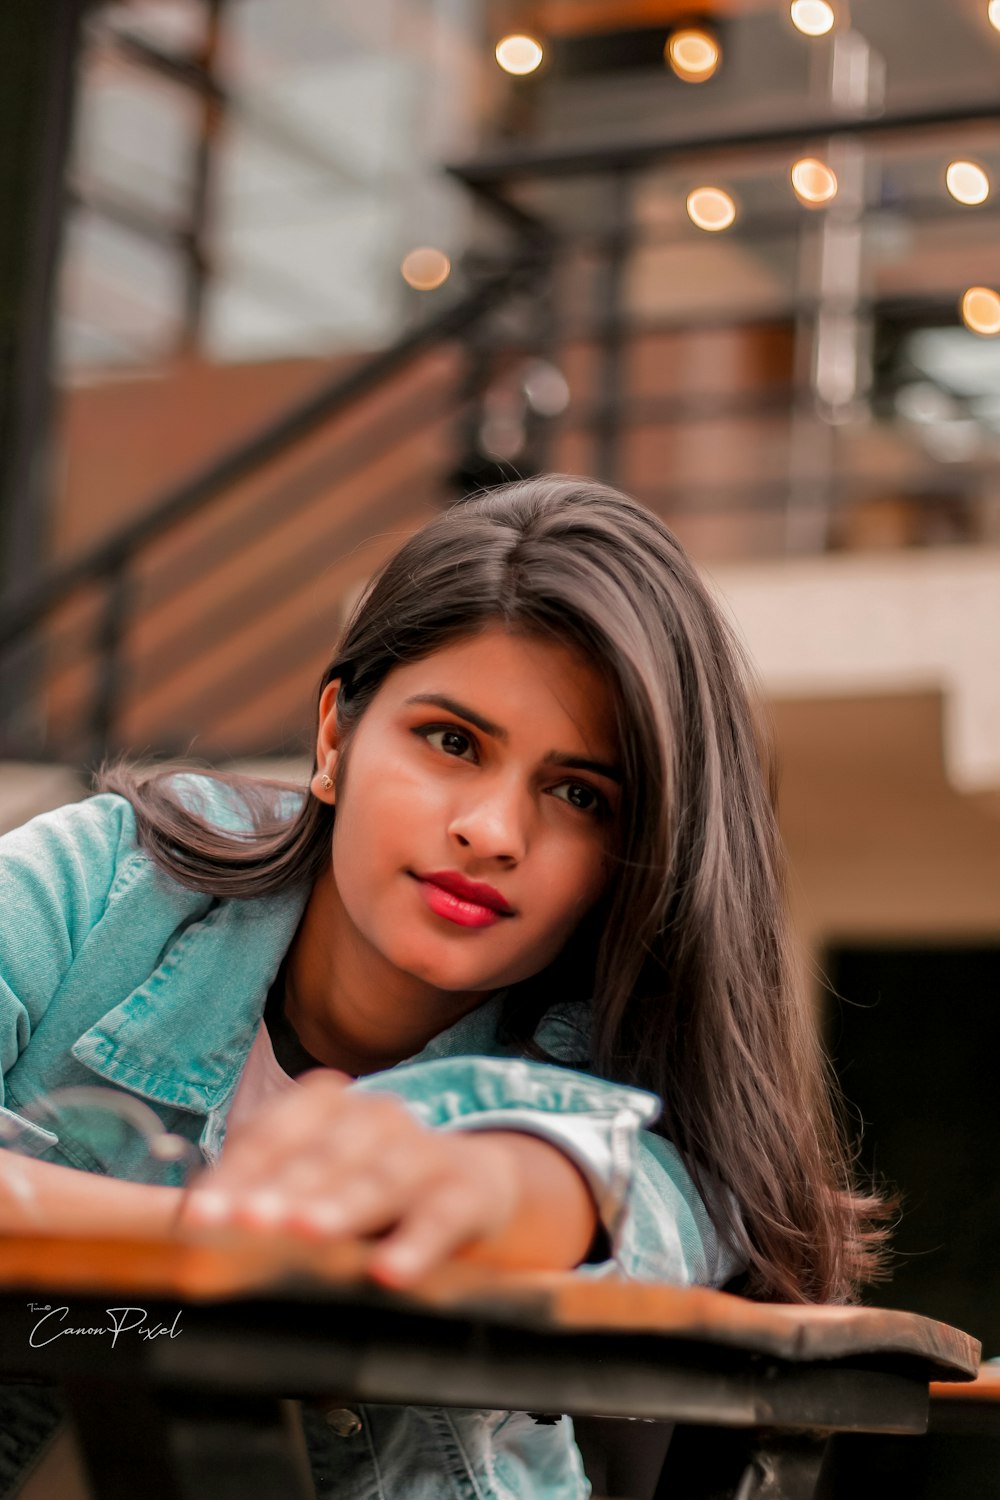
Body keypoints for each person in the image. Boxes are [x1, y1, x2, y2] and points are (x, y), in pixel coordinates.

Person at [0, 475, 884, 1499]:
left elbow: (577, 1191)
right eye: (451, 740)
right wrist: (228, 1240)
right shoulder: (107, 883)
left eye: (578, 795)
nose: (490, 832)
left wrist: (469, 1190)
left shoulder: (631, 1079)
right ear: (333, 738)